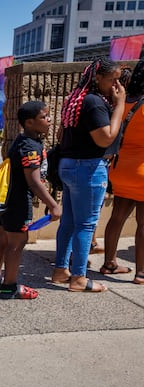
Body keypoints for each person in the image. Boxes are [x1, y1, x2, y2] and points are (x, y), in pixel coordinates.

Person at [52, 57, 125, 292]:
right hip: (89, 168)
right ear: (97, 78)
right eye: (113, 80)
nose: (117, 86)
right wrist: (120, 105)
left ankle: (61, 270)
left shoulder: (77, 99)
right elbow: (106, 137)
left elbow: (61, 135)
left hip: (70, 165)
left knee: (70, 222)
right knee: (85, 225)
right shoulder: (93, 102)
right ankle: (79, 278)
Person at [0, 101, 61, 299]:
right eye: (44, 117)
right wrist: (53, 205)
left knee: (3, 239)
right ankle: (9, 287)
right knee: (17, 243)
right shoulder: (30, 146)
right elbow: (34, 182)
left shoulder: (23, 140)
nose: (49, 120)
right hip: (17, 201)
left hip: (6, 199)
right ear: (29, 123)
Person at [102, 59, 144, 284]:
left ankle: (109, 263)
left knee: (116, 217)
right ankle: (141, 273)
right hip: (142, 171)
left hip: (120, 168)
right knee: (143, 224)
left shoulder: (125, 101)